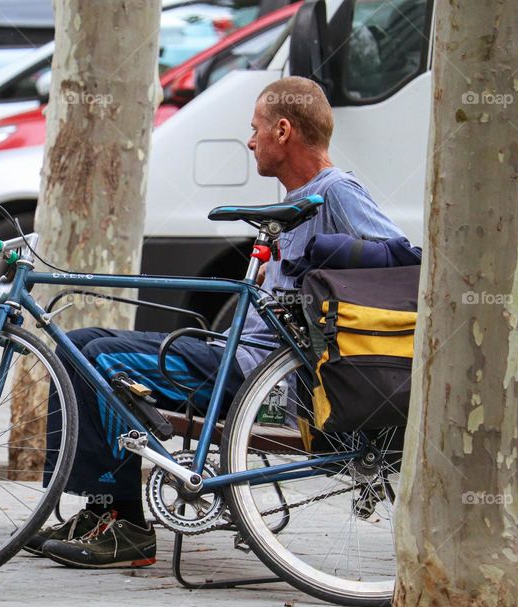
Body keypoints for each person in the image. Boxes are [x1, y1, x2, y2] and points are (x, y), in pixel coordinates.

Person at [28, 77, 405, 569]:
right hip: (236, 355)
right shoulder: (301, 198)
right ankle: (98, 511)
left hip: (262, 377)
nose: (250, 142)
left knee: (98, 359)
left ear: (284, 131)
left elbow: (403, 257)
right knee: (80, 343)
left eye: (256, 129)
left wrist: (314, 258)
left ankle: (124, 525)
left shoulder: (335, 192)